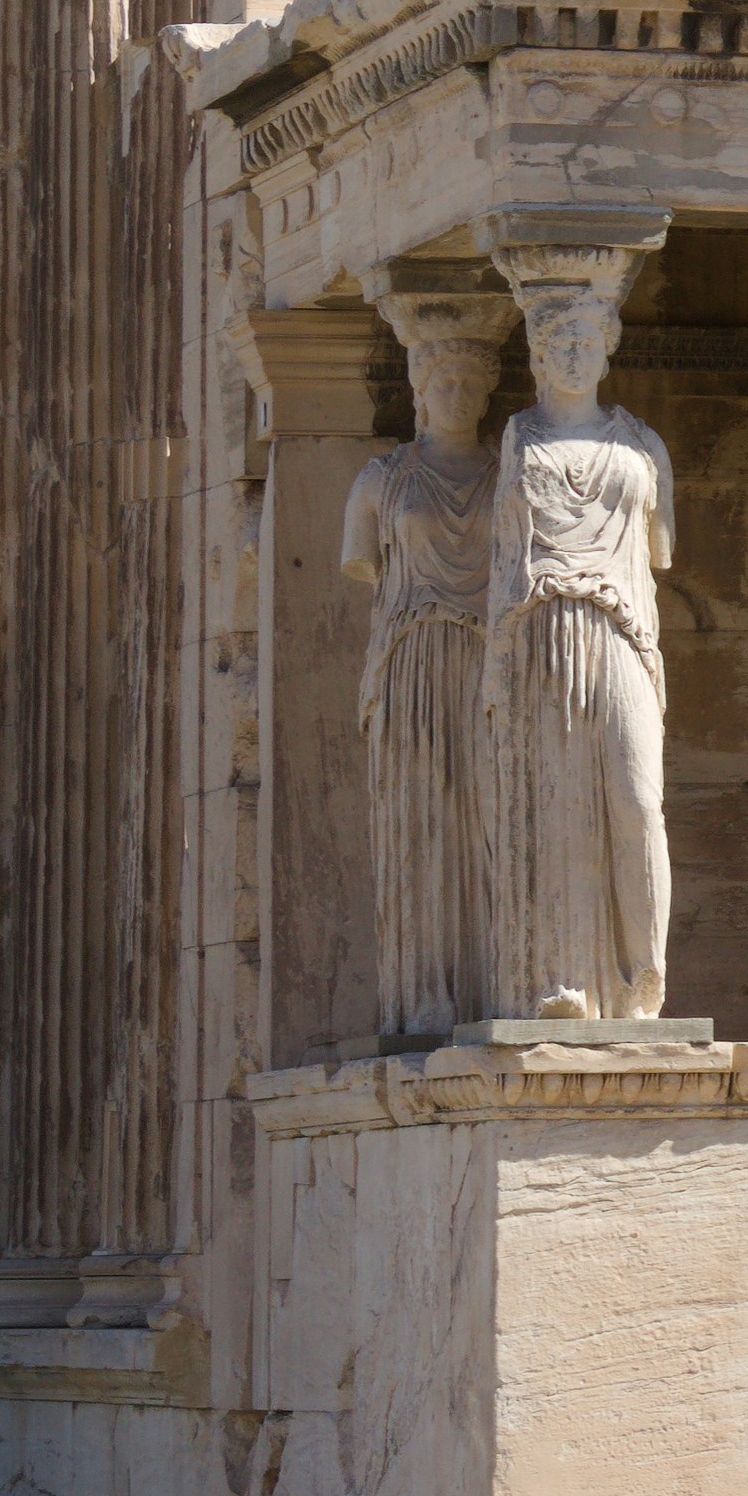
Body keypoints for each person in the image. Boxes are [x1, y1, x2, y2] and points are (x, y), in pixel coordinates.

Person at [485, 273, 675, 1022]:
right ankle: (566, 980)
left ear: (608, 349)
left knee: (635, 800)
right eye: (555, 340)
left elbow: (660, 550)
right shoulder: (518, 439)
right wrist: (498, 665)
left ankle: (645, 981)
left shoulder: (642, 444)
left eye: (585, 340)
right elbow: (507, 558)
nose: (570, 352)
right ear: (534, 354)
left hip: (624, 629)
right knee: (555, 802)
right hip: (541, 629)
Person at [340, 327, 498, 1040]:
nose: (456, 393)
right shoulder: (381, 482)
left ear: (489, 390)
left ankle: (496, 988)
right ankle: (422, 998)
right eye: (443, 383)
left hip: (491, 660)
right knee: (422, 822)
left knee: (492, 824)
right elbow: (362, 565)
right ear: (420, 392)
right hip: (410, 663)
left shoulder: (513, 475)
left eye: (468, 382)